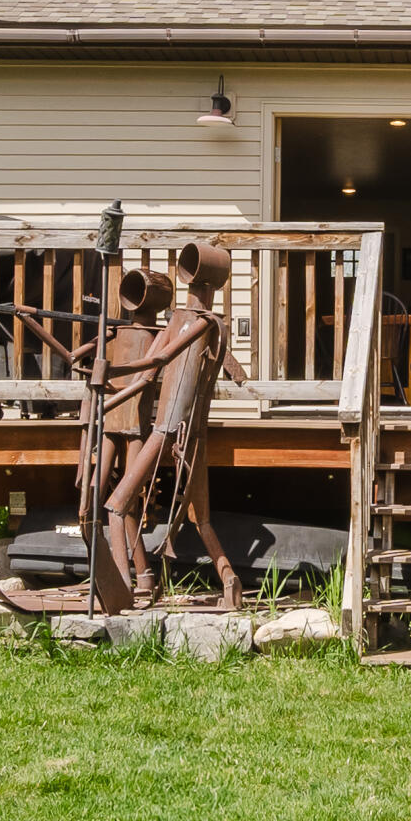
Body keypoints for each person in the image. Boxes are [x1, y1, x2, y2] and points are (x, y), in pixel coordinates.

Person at [94, 242, 244, 607]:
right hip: (174, 429)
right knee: (200, 519)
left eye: (194, 275)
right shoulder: (179, 320)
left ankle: (123, 593)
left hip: (174, 430)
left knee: (116, 507)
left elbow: (162, 356)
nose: (192, 283)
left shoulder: (205, 324)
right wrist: (107, 396)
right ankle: (229, 582)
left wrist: (108, 371)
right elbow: (148, 374)